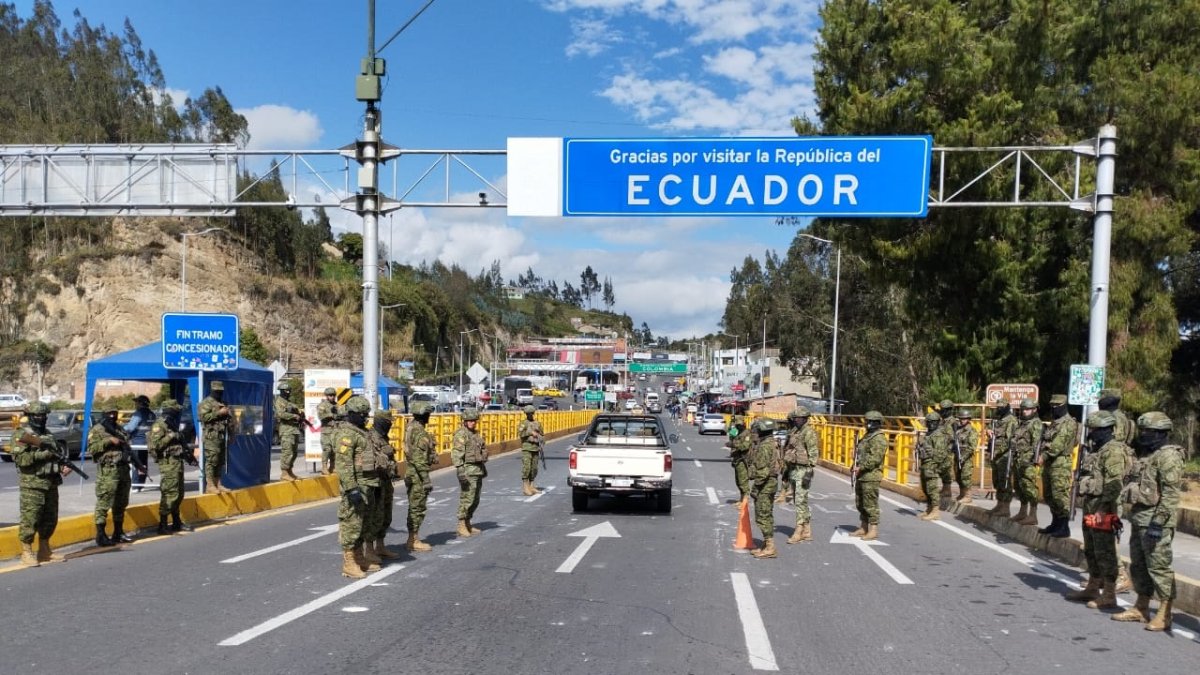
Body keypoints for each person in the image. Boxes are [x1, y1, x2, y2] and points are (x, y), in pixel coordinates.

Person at [1113, 411, 1183, 631]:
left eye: (1149, 432)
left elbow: (1171, 494)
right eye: (1142, 431)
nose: (1144, 435)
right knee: (1139, 566)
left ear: (1162, 433)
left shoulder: (1168, 456)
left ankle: (1164, 613)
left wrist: (1158, 522)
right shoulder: (1146, 456)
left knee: (1159, 568)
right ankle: (1141, 607)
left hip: (1155, 522)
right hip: (1140, 518)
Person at [1061, 411, 1132, 610]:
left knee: (1105, 551)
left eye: (1094, 430)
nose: (1091, 433)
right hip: (1091, 506)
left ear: (1106, 430)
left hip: (1104, 508)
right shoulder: (1097, 450)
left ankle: (1109, 593)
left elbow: (1113, 484)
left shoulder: (1113, 451)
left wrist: (1103, 509)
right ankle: (1092, 586)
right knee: (1091, 549)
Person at [11, 402, 75, 566]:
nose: (41, 419)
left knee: (50, 519)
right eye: (37, 416)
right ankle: (26, 552)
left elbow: (54, 458)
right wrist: (43, 454)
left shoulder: (48, 434)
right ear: (30, 417)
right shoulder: (22, 434)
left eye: (44, 416)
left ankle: (45, 550)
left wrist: (62, 467)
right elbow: (21, 460)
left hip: (50, 483)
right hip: (32, 485)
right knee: (30, 519)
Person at [334, 395, 378, 579]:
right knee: (351, 524)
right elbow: (344, 465)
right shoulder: (347, 434)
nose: (364, 417)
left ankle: (359, 557)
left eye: (365, 414)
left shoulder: (362, 432)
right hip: (356, 487)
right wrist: (351, 488)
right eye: (360, 414)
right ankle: (349, 562)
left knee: (362, 524)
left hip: (367, 485)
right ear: (351, 414)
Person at [147, 400, 196, 534]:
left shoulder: (172, 423)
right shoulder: (160, 425)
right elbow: (156, 445)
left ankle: (176, 522)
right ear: (170, 410)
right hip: (167, 464)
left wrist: (189, 456)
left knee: (179, 493)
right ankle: (162, 524)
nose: (178, 412)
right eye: (176, 410)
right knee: (169, 493)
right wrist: (171, 435)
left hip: (177, 462)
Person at [87, 408, 134, 546]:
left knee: (121, 503)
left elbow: (126, 444)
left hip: (123, 470)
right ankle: (101, 535)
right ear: (104, 414)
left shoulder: (120, 429)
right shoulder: (97, 430)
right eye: (109, 413)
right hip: (108, 471)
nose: (112, 415)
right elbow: (92, 449)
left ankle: (118, 533)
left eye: (114, 413)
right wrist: (108, 441)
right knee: (104, 503)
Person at [1039, 394, 1078, 538]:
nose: (1054, 408)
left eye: (1057, 406)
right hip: (1050, 463)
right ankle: (1055, 522)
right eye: (1052, 406)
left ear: (1064, 406)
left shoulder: (1068, 423)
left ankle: (1063, 526)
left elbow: (1058, 445)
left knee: (1060, 495)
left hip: (1060, 463)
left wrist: (1043, 456)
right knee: (1049, 495)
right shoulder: (1055, 422)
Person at [365, 409, 401, 561]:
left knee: (386, 516)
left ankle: (380, 546)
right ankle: (369, 550)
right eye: (388, 422)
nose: (390, 425)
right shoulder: (370, 437)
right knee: (374, 516)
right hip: (376, 483)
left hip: (387, 481)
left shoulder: (383, 437)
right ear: (380, 422)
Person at [783, 407, 821, 544]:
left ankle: (798, 531)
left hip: (803, 470)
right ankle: (807, 531)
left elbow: (813, 453)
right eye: (795, 418)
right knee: (800, 501)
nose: (795, 420)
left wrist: (809, 472)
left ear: (805, 419)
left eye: (798, 418)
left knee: (799, 502)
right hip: (794, 469)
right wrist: (786, 471)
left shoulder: (808, 432)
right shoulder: (795, 431)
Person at [404, 401, 437, 552]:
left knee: (414, 507)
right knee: (417, 508)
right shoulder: (419, 432)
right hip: (417, 475)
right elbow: (419, 458)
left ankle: (413, 538)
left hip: (411, 472)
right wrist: (426, 479)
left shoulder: (410, 427)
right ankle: (413, 539)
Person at [851, 411, 888, 541]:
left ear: (875, 423)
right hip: (862, 475)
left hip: (871, 475)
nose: (866, 424)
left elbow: (875, 459)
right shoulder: (868, 436)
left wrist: (861, 467)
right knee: (860, 502)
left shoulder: (879, 438)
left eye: (869, 421)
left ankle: (873, 530)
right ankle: (863, 526)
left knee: (870, 503)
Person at [452, 407, 488, 537]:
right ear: (465, 421)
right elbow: (457, 454)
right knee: (467, 498)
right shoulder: (461, 434)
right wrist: (460, 471)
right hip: (468, 471)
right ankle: (461, 524)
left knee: (475, 499)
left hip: (477, 470)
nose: (473, 423)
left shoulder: (475, 434)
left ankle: (468, 522)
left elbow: (481, 450)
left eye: (474, 420)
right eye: (470, 420)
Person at [748, 418, 780, 558]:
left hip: (765, 485)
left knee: (762, 516)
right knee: (767, 514)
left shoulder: (764, 446)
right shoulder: (773, 443)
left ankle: (770, 547)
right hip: (771, 483)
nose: (755, 432)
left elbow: (763, 472)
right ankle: (767, 545)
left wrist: (755, 488)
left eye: (756, 430)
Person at [1010, 398, 1044, 526]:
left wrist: (1033, 459)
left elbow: (1036, 444)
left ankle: (1033, 515)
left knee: (1029, 487)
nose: (1025, 412)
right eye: (1023, 409)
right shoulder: (1022, 424)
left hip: (1028, 461)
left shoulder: (1035, 423)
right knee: (1019, 487)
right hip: (1019, 459)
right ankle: (1023, 512)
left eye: (1028, 409)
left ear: (1034, 409)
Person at [198, 380, 233, 494]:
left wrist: (232, 433)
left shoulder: (223, 402)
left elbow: (230, 420)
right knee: (212, 460)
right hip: (211, 436)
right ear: (213, 390)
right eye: (217, 391)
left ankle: (218, 483)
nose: (219, 393)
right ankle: (210, 485)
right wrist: (219, 413)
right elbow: (203, 417)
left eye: (221, 391)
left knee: (220, 460)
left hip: (222, 435)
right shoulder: (206, 403)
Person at [917, 411, 951, 521]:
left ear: (938, 422)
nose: (931, 424)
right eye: (930, 422)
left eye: (934, 422)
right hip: (926, 463)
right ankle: (929, 508)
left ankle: (935, 511)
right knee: (926, 487)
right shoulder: (929, 434)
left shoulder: (939, 435)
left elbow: (940, 454)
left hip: (932, 464)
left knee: (932, 488)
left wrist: (930, 455)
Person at [987, 403, 1019, 517]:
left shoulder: (1011, 421)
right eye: (998, 406)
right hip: (995, 455)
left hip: (1004, 456)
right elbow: (992, 430)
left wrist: (998, 451)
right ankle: (999, 504)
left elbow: (1009, 441)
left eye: (1001, 407)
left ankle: (1005, 508)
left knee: (1005, 482)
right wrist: (989, 431)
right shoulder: (997, 419)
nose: (999, 409)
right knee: (997, 481)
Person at [124, 395, 155, 492]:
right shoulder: (152, 414)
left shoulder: (138, 414)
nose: (135, 404)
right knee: (143, 463)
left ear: (141, 403)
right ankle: (141, 484)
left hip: (138, 441)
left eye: (137, 402)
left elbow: (130, 428)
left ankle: (135, 485)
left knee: (136, 463)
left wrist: (120, 429)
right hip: (147, 442)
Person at [273, 382, 303, 481]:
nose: (288, 392)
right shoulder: (279, 401)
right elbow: (281, 414)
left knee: (294, 453)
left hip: (294, 429)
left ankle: (290, 471)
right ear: (281, 391)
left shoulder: (290, 402)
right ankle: (284, 473)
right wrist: (294, 416)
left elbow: (297, 412)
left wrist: (300, 415)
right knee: (287, 451)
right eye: (286, 390)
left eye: (289, 390)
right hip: (286, 430)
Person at [952, 407, 979, 504]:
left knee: (965, 477)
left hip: (966, 458)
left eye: (964, 418)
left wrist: (963, 457)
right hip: (957, 456)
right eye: (961, 419)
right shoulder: (958, 430)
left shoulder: (972, 431)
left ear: (968, 419)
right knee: (958, 476)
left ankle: (968, 496)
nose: (962, 420)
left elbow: (972, 447)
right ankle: (962, 494)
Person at [725, 415, 752, 505]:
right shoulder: (736, 432)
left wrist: (733, 444)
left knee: (743, 480)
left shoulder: (747, 433)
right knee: (738, 481)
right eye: (737, 425)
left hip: (743, 459)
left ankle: (745, 501)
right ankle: (741, 499)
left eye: (740, 425)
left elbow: (745, 446)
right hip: (736, 458)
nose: (739, 426)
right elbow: (730, 435)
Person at [518, 404, 544, 496]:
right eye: (528, 414)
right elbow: (520, 434)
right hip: (527, 448)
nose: (530, 415)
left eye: (531, 413)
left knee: (534, 468)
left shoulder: (537, 423)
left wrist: (541, 442)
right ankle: (526, 487)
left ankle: (532, 486)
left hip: (536, 448)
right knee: (527, 468)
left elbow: (542, 434)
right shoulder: (523, 423)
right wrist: (530, 432)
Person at [318, 387, 342, 475]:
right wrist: (331, 414)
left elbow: (341, 415)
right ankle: (324, 467)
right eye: (330, 395)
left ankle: (332, 466)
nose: (332, 397)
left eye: (333, 395)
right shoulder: (322, 405)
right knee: (327, 449)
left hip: (336, 430)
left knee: (334, 449)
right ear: (327, 396)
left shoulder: (337, 405)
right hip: (326, 430)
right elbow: (321, 416)